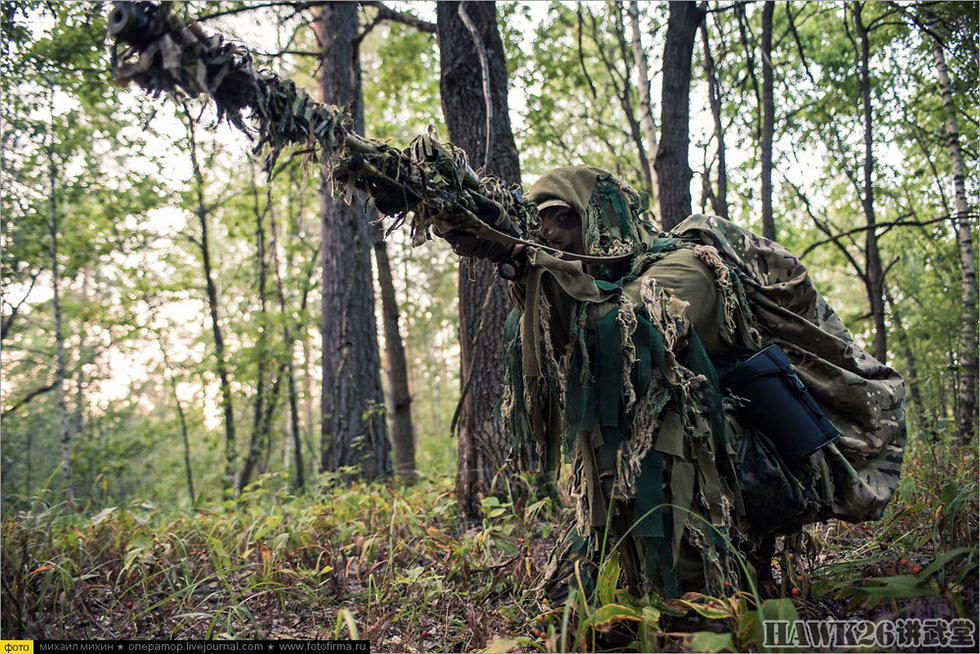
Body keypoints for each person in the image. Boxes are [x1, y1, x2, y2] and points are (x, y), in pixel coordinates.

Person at [450, 165, 906, 601]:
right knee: (566, 608)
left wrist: (527, 261)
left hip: (715, 466)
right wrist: (508, 252)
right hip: (628, 473)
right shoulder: (599, 279)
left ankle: (704, 601)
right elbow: (561, 347)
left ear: (605, 221)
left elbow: (618, 331)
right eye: (541, 224)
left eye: (564, 218)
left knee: (689, 606)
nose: (550, 235)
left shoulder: (687, 267)